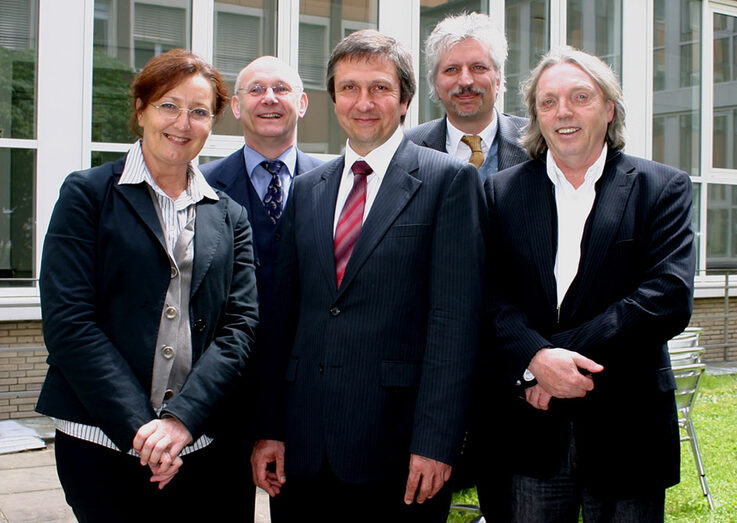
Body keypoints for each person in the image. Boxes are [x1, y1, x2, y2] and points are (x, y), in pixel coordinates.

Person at [250, 29, 485, 522]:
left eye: (379, 87)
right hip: (304, 451)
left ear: (404, 101)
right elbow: (282, 319)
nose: (364, 102)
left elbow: (454, 323)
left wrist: (437, 443)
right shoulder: (308, 188)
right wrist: (269, 428)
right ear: (333, 99)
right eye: (350, 88)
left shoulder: (448, 181)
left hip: (399, 452)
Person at [35, 49, 258, 522]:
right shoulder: (87, 195)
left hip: (200, 442)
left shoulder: (230, 214)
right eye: (168, 105)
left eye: (199, 112)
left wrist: (180, 422)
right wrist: (143, 431)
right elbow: (69, 322)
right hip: (100, 439)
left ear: (212, 123)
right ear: (140, 110)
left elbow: (239, 327)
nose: (183, 122)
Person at [478, 46, 695, 522]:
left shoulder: (661, 187)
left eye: (580, 97)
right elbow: (487, 295)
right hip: (531, 430)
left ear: (609, 108)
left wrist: (552, 358)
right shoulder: (500, 192)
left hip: (628, 425)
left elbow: (667, 297)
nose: (564, 112)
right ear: (535, 114)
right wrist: (535, 360)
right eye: (549, 101)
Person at [199, 56, 323, 505]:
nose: (269, 98)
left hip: (306, 403)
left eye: (282, 89)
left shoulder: (339, 187)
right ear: (235, 106)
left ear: (303, 103)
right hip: (219, 404)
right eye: (255, 90)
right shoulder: (201, 187)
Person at [406, 12, 529, 180]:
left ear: (499, 79)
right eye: (452, 69)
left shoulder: (536, 141)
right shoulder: (407, 148)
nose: (465, 81)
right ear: (435, 83)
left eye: (478, 67)